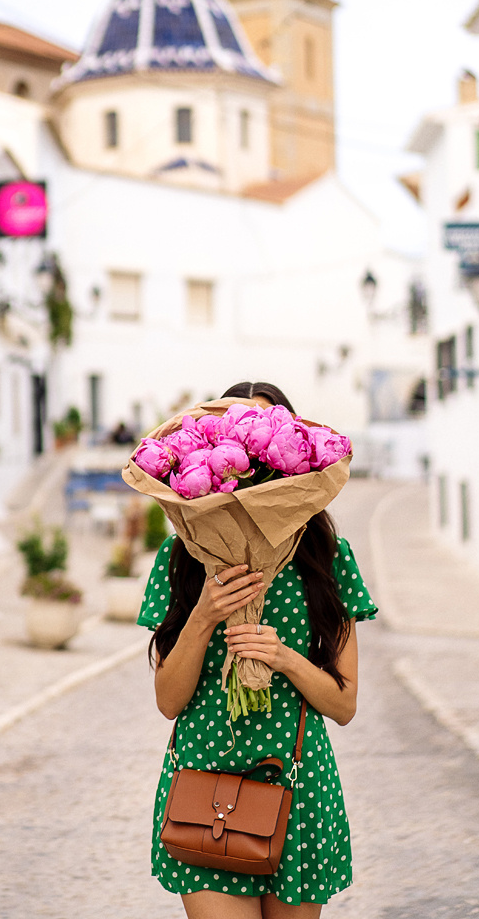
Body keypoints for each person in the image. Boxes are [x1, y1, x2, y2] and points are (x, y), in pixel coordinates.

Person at [137, 381, 377, 918]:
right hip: (202, 785)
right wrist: (205, 615)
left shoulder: (326, 556)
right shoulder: (181, 558)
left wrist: (282, 656)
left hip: (296, 787)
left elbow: (343, 705)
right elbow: (168, 701)